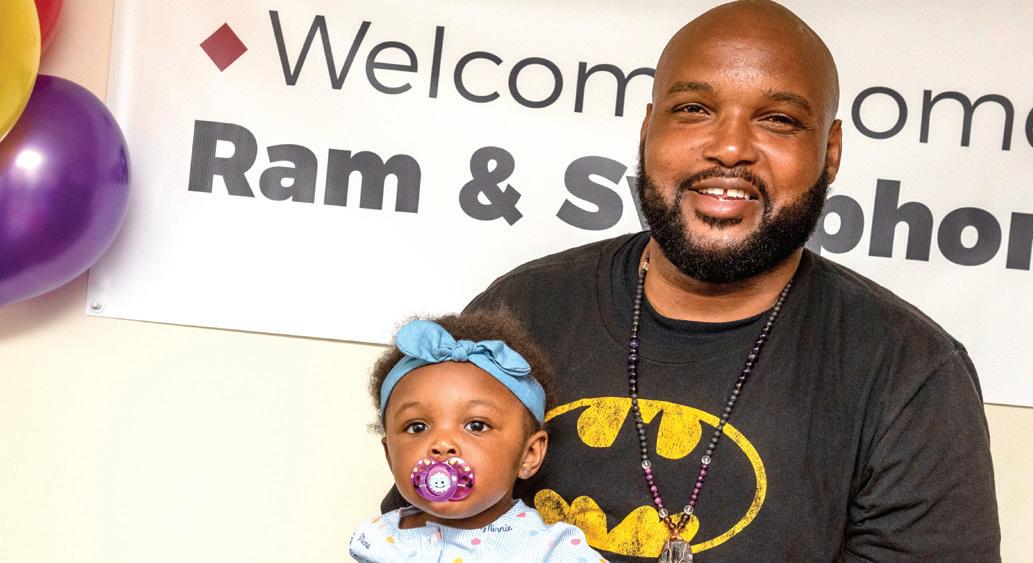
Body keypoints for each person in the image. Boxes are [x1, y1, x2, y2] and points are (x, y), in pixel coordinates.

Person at [386, 1, 1001, 561]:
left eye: (778, 120)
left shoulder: (908, 370)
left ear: (831, 150)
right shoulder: (522, 310)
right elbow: (421, 530)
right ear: (648, 128)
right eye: (694, 110)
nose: (730, 148)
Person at [352, 312, 605, 562]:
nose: (442, 444)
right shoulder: (378, 538)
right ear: (390, 455)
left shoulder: (551, 549)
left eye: (476, 425)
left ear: (528, 454)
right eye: (417, 427)